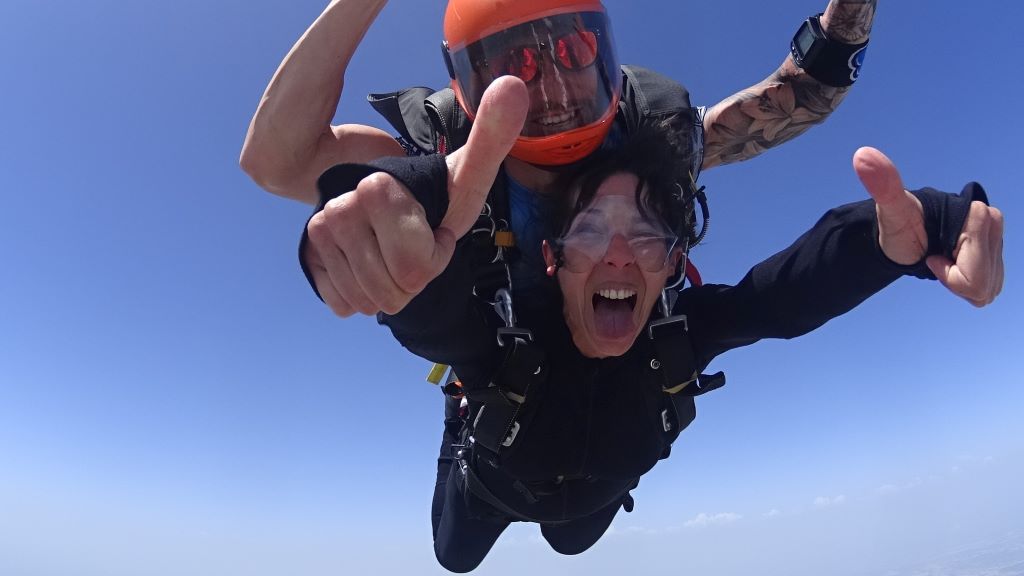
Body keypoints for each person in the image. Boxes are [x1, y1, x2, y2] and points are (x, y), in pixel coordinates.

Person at [300, 112, 1003, 572]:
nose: (618, 254)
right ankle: (456, 425)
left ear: (671, 264)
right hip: (487, 485)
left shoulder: (677, 335)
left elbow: (778, 297)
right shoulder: (506, 337)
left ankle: (562, 510)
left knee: (570, 542)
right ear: (552, 259)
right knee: (454, 559)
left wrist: (902, 237)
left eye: (644, 235)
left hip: (593, 493)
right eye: (588, 231)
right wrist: (402, 240)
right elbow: (439, 320)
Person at [241, 0, 880, 318]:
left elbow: (806, 92)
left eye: (572, 50)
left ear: (605, 51)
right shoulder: (441, 157)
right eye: (516, 62)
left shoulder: (651, 141)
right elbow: (276, 160)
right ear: (466, 85)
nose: (550, 84)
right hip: (500, 395)